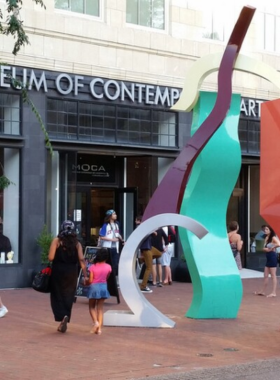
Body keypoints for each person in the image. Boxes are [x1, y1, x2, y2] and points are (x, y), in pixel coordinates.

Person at [48, 220, 88, 333]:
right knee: (68, 295)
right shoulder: (77, 243)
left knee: (57, 294)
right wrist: (85, 275)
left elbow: (51, 257)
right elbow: (81, 260)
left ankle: (61, 317)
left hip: (58, 271)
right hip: (71, 272)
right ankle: (66, 315)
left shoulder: (57, 241)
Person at [87, 248, 112, 335]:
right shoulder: (109, 267)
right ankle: (99, 329)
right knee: (100, 309)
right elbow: (107, 277)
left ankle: (96, 322)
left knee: (91, 307)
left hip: (94, 287)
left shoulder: (92, 267)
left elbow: (90, 280)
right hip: (103, 287)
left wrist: (86, 282)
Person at [254, 225, 280, 298]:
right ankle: (262, 291)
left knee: (273, 275)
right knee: (265, 275)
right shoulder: (266, 238)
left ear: (270, 230)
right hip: (268, 257)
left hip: (272, 257)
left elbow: (278, 244)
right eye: (265, 229)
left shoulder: (273, 237)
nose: (265, 230)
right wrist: (266, 249)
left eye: (267, 229)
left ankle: (273, 292)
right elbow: (263, 248)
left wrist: (273, 247)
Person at [138, 218, 162, 293]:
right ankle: (143, 286)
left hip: (150, 248)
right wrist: (152, 232)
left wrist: (153, 232)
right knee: (149, 267)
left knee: (159, 254)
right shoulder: (143, 228)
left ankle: (141, 260)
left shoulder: (147, 228)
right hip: (146, 249)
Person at [99, 210, 123, 276]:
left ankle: (114, 280)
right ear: (110, 216)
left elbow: (117, 234)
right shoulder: (105, 225)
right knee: (108, 264)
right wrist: (112, 240)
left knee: (115, 264)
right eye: (114, 214)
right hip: (107, 248)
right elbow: (101, 237)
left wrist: (122, 240)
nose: (116, 215)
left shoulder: (116, 224)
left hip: (116, 248)